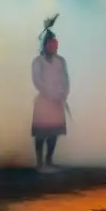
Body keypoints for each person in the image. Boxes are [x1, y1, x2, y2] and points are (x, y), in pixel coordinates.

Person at [32, 15, 70, 171]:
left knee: (54, 132)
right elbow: (37, 80)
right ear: (45, 45)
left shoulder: (61, 61)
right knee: (41, 133)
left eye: (55, 44)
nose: (54, 46)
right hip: (44, 101)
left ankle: (49, 160)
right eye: (51, 43)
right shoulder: (38, 61)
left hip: (57, 101)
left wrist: (63, 94)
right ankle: (40, 162)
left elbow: (66, 80)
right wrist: (50, 94)